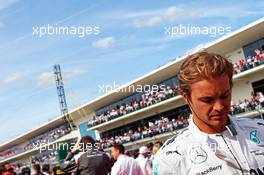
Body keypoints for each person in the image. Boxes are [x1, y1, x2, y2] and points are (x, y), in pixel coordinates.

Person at [154, 52, 264, 174]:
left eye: (225, 95)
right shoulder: (170, 158)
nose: (219, 107)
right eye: (207, 100)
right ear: (186, 97)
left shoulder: (260, 129)